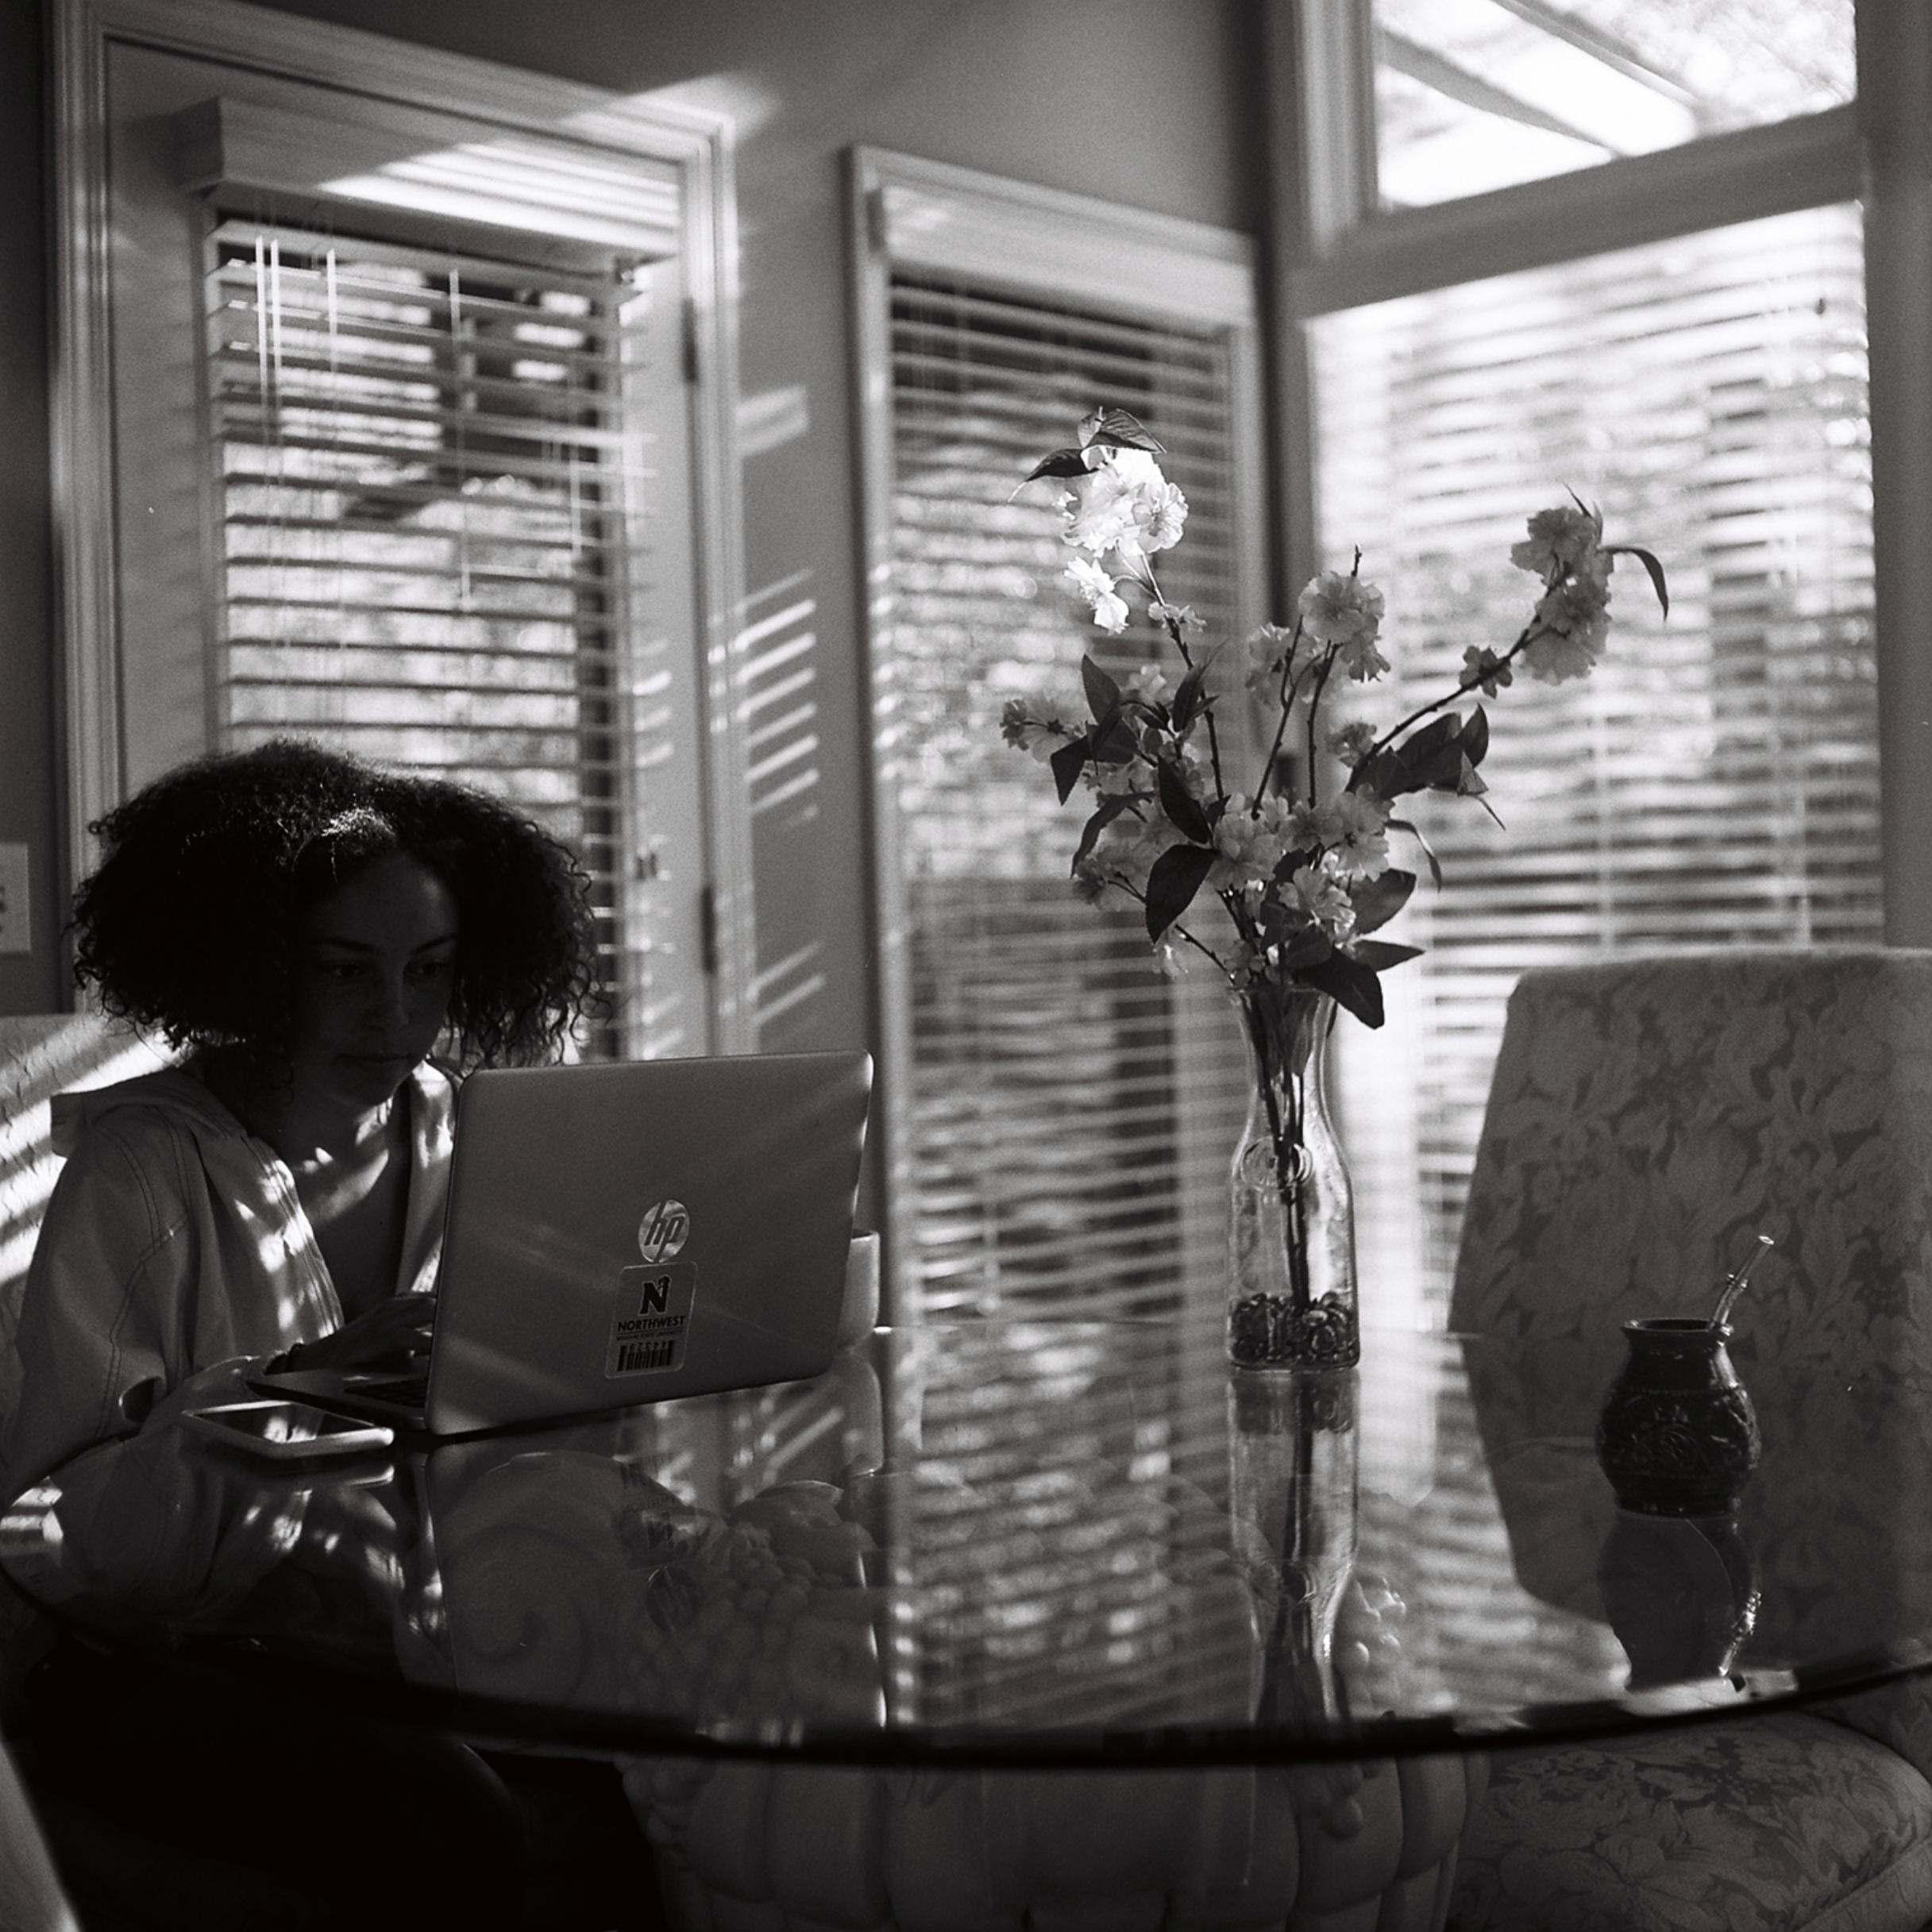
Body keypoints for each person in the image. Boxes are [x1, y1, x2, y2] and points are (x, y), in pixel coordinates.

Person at [2, 738, 597, 1494]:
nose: (395, 1012)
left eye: (428, 968)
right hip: (211, 1611)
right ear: (258, 969)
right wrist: (304, 1379)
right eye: (345, 970)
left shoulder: (482, 1142)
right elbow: (67, 1495)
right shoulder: (140, 1170)